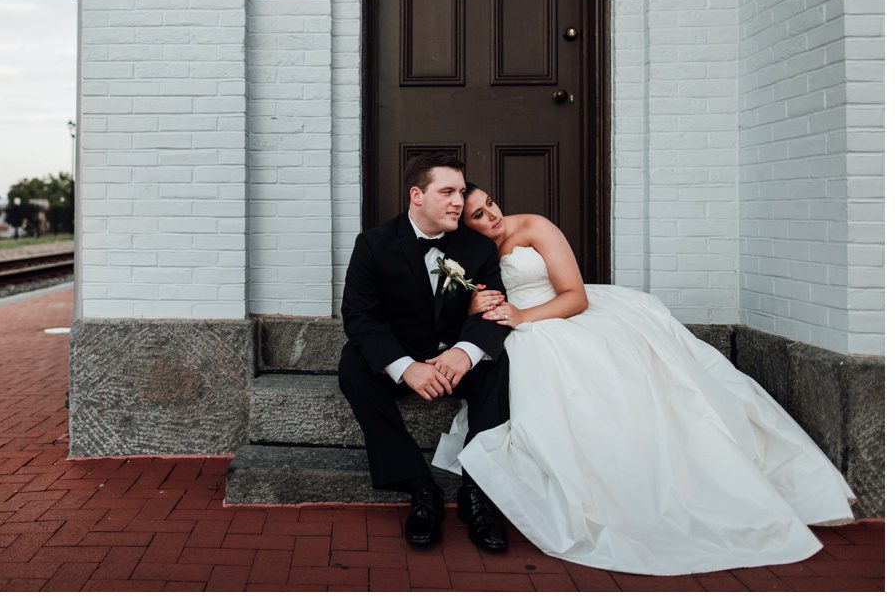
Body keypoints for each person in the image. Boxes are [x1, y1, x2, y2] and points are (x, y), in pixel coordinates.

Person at [432, 184, 857, 575]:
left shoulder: (534, 226)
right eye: (478, 216)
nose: (492, 216)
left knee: (602, 376)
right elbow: (467, 301)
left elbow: (574, 296)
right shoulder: (469, 252)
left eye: (490, 204)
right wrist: (474, 306)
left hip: (558, 313)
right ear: (463, 224)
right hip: (518, 330)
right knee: (526, 374)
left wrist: (524, 316)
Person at [339, 154, 514, 549]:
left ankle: (477, 494)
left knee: (499, 365)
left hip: (453, 362)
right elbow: (359, 316)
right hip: (405, 357)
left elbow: (493, 309)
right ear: (417, 195)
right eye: (447, 192)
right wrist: (406, 368)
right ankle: (419, 487)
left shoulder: (478, 249)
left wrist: (465, 353)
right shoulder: (373, 244)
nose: (458, 201)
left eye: (461, 192)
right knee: (353, 364)